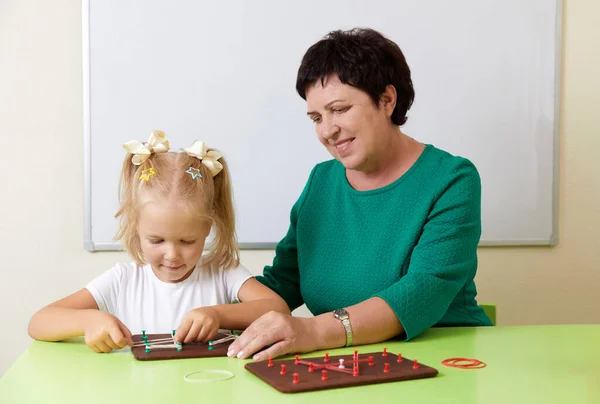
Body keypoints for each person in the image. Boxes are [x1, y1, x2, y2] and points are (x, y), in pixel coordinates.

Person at [227, 28, 492, 361]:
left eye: (339, 109)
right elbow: (282, 283)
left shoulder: (452, 179)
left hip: (445, 359)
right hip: (346, 363)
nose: (326, 130)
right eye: (316, 117)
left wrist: (311, 330)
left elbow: (424, 290)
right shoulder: (321, 180)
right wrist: (198, 309)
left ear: (386, 100)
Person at [28, 131, 289, 353]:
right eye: (156, 240)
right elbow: (39, 322)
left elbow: (278, 309)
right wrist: (88, 320)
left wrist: (217, 314)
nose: (172, 254)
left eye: (187, 241)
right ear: (136, 228)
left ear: (207, 228)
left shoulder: (222, 273)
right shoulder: (122, 281)